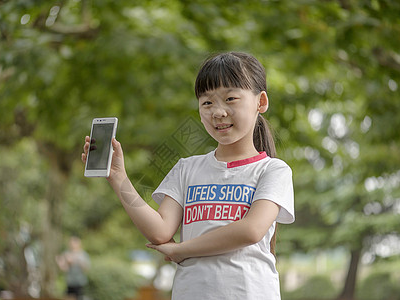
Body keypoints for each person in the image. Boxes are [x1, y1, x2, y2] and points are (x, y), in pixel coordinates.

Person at [81, 52, 294, 299]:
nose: (218, 112)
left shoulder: (273, 170)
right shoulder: (187, 168)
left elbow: (251, 231)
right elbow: (160, 231)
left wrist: (182, 249)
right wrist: (119, 178)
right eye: (207, 103)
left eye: (231, 98)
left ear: (261, 101)